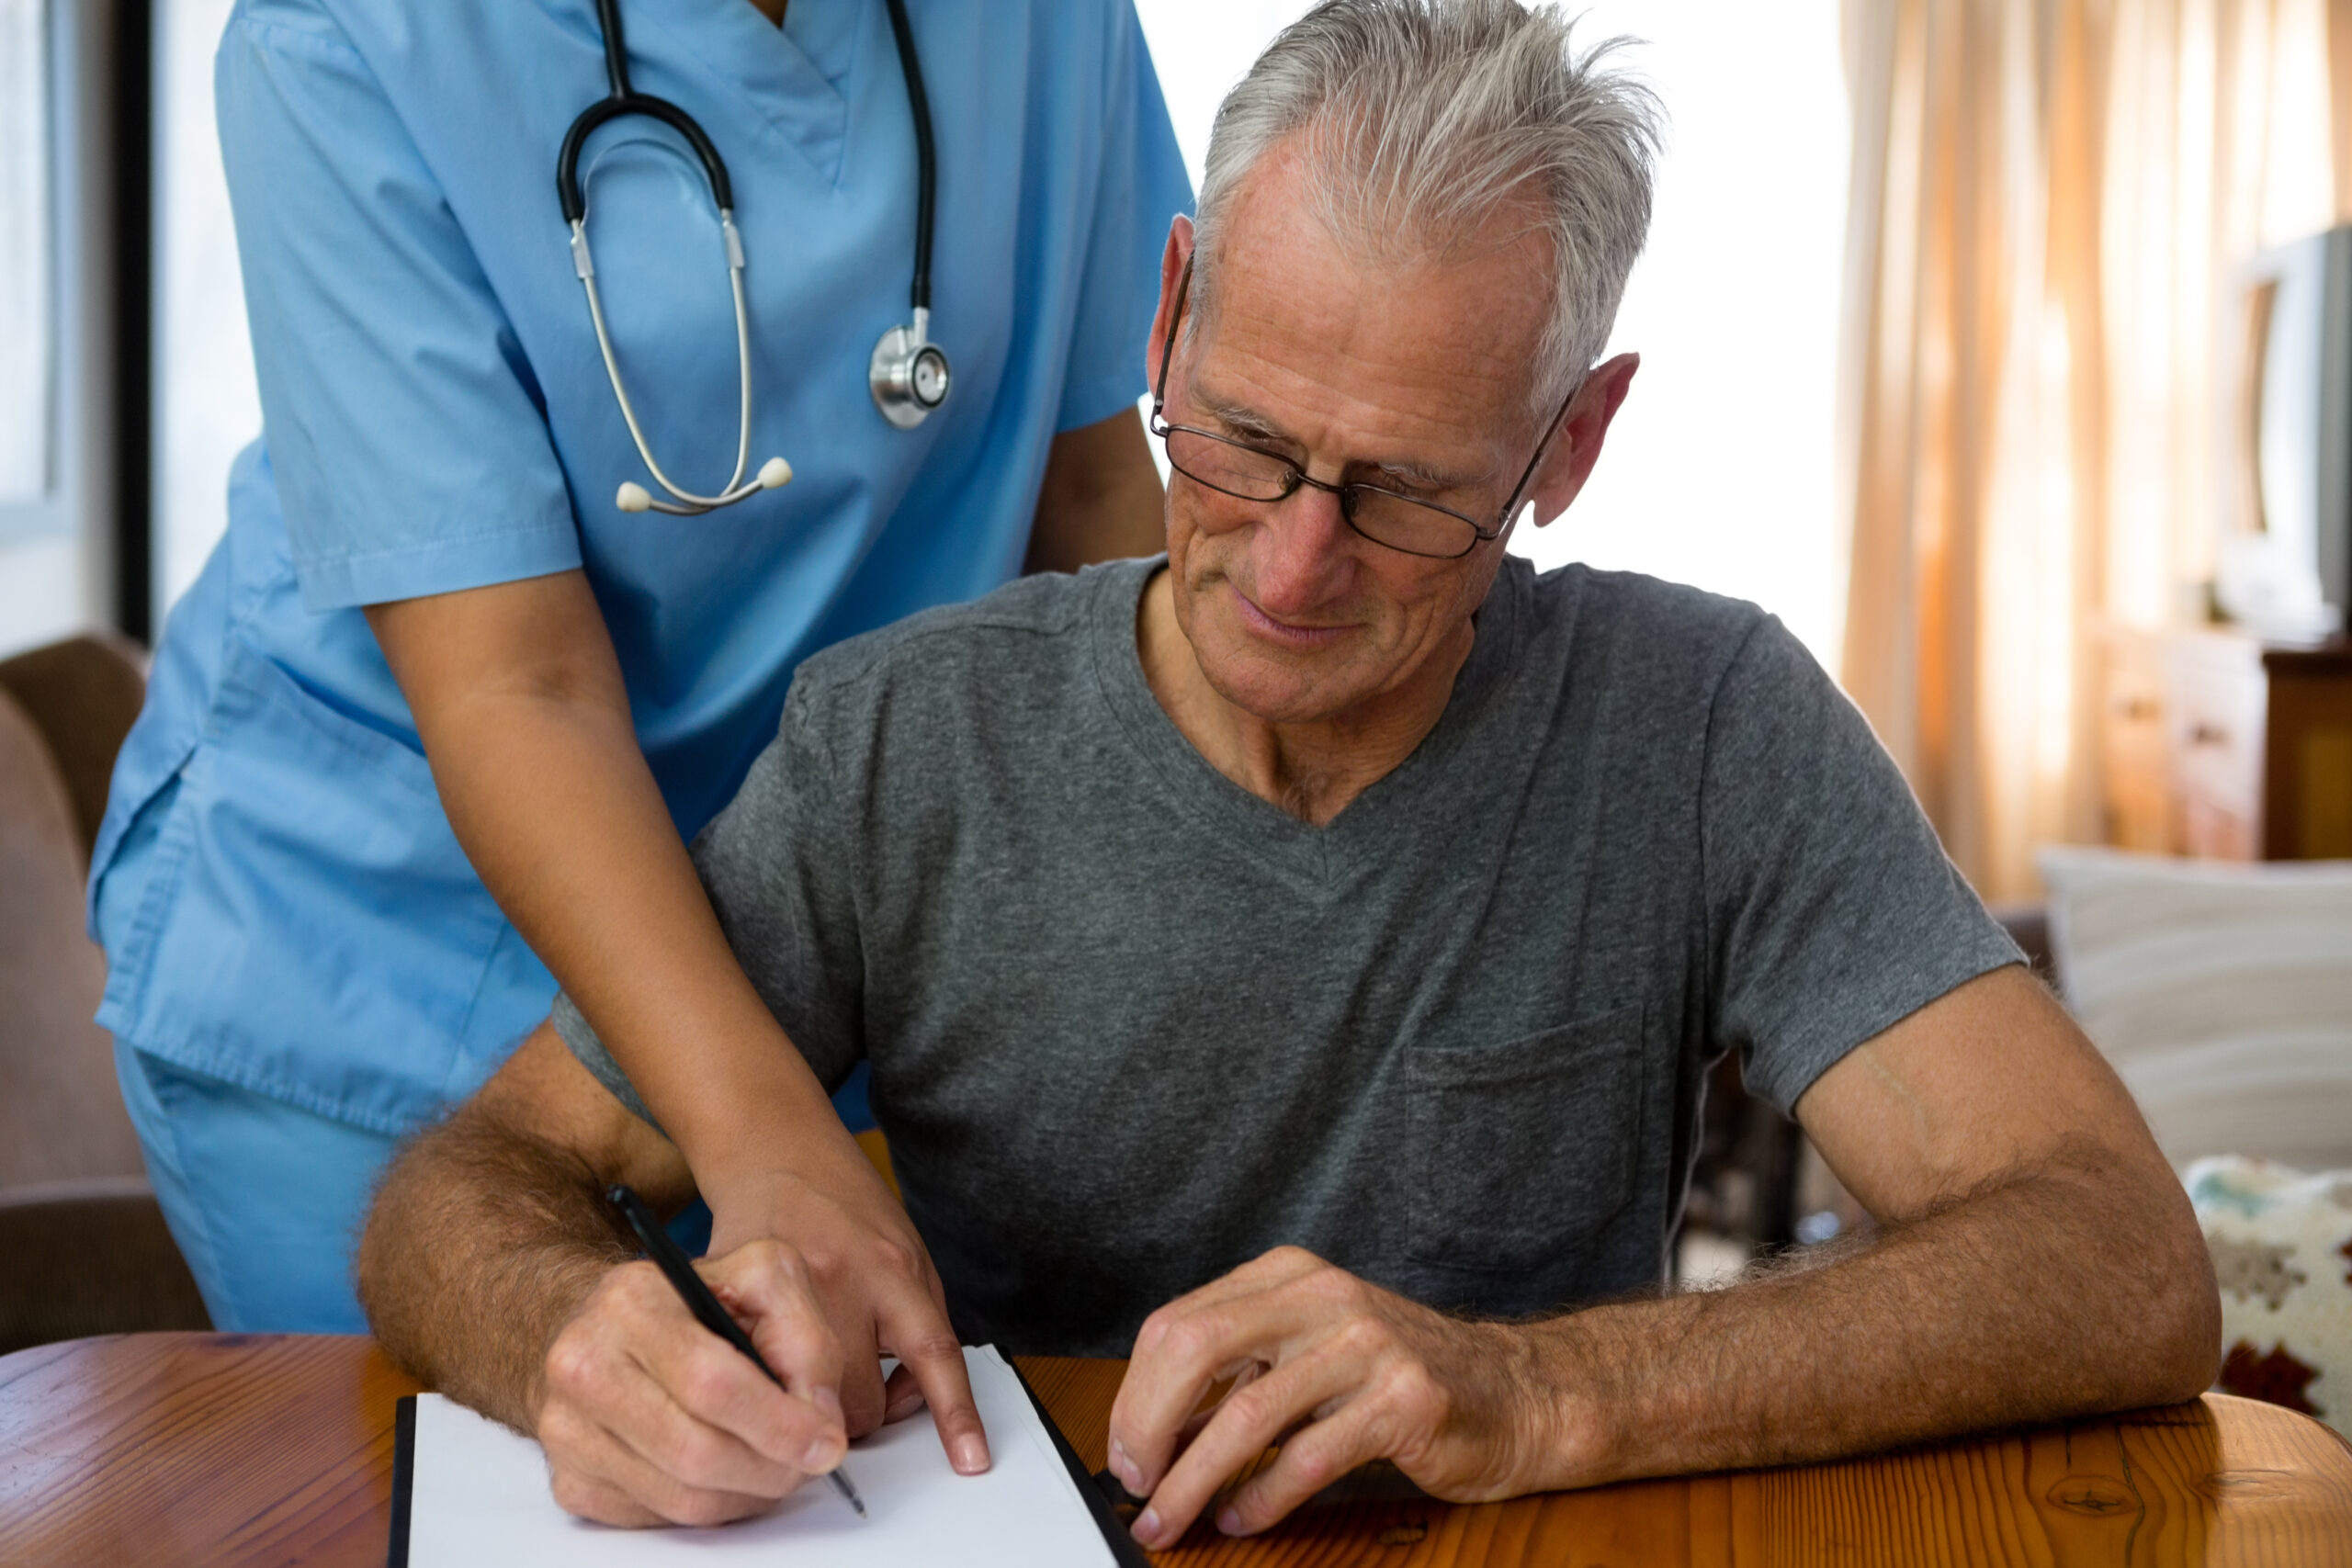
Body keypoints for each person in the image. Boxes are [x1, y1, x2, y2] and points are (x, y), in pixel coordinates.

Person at [358, 0, 2222, 1548]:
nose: (1288, 563)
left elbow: (2121, 1257)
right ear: (1164, 313)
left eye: (1405, 488)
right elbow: (470, 1184)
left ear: (1570, 438)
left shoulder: (1704, 719)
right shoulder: (905, 740)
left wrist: (1538, 1386)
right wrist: (557, 1332)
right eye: (1239, 440)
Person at [87, 0, 1192, 1332]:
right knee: (463, 1506)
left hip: (800, 937)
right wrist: (770, 1143)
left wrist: (1170, 958)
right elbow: (517, 686)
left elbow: (1088, 505)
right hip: (381, 963)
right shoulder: (344, 35)